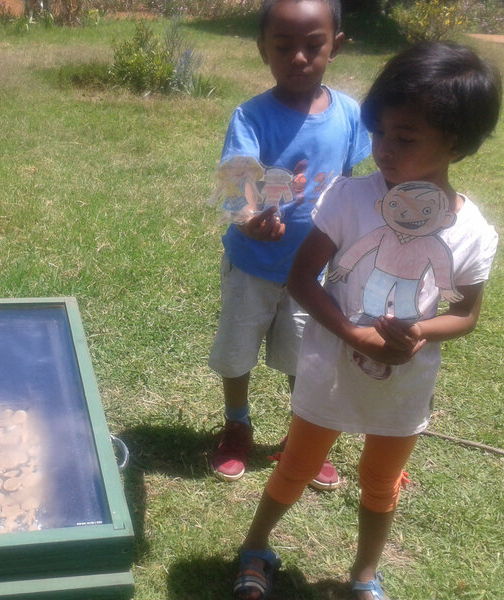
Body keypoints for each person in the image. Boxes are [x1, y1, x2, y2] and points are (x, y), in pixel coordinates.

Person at [232, 41, 502, 600]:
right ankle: (256, 546)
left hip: (404, 382)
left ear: (456, 143)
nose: (382, 149)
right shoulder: (349, 198)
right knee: (296, 466)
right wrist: (355, 333)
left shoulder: (473, 231)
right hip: (332, 366)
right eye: (377, 131)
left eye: (404, 138)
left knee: (381, 484)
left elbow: (466, 314)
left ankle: (363, 576)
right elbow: (303, 279)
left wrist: (419, 332)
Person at [209, 0, 371, 487]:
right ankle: (236, 424)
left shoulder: (349, 114)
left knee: (307, 358)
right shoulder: (252, 116)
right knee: (238, 351)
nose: (298, 57)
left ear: (335, 46)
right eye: (283, 46)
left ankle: (304, 437)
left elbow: (349, 180)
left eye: (312, 45)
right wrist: (249, 218)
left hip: (314, 272)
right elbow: (235, 182)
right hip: (254, 264)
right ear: (263, 51)